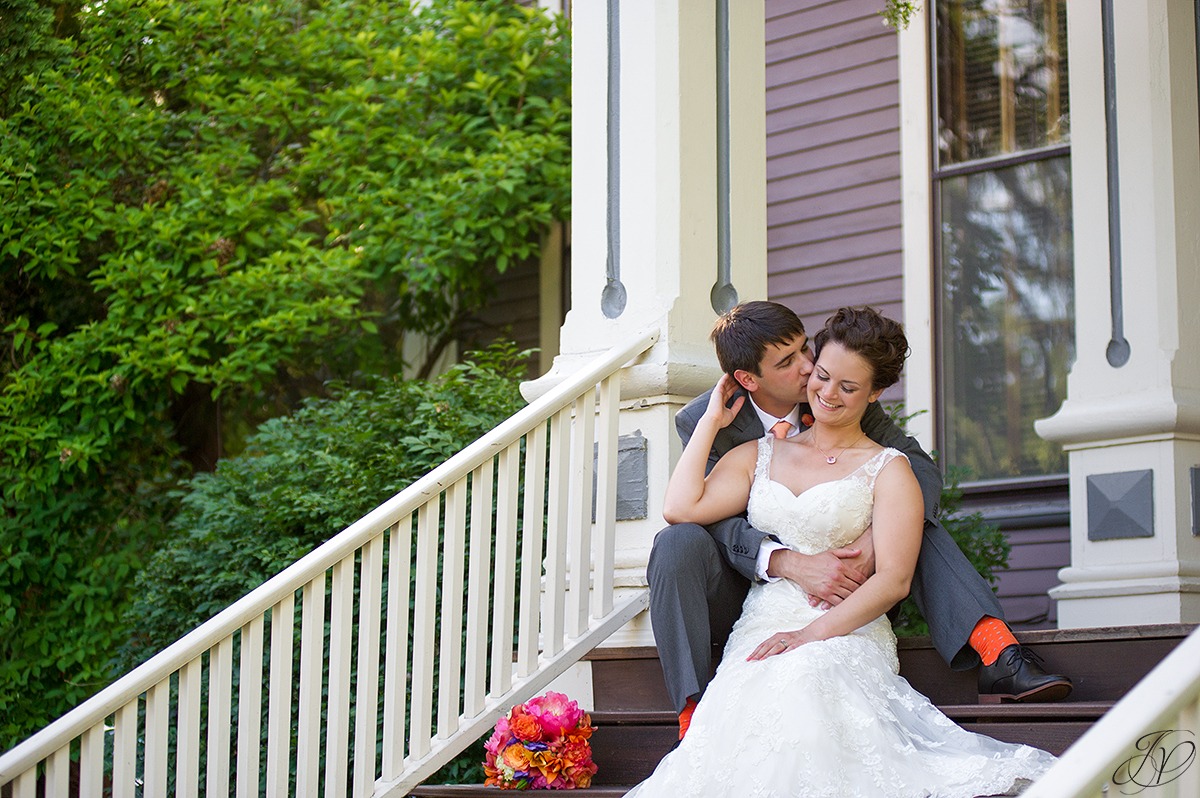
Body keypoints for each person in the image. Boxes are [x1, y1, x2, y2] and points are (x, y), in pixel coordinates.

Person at [626, 307, 1056, 797]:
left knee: (914, 519)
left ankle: (994, 644)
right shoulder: (718, 424)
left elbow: (918, 473)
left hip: (848, 592)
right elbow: (705, 517)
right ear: (748, 378)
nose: (812, 372)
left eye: (806, 350)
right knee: (676, 542)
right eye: (790, 362)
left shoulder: (847, 388)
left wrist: (879, 534)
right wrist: (785, 561)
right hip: (743, 582)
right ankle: (691, 713)